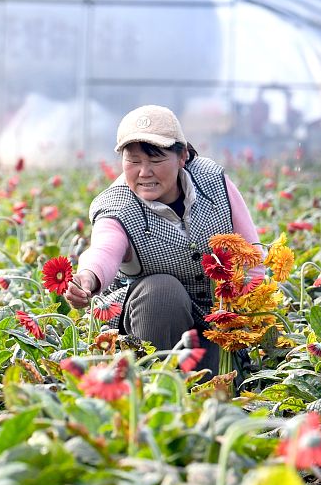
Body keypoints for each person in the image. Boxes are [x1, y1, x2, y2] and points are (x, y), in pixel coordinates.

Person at [64, 105, 262, 356]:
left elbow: (252, 254)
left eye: (156, 160)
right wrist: (88, 278)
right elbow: (104, 249)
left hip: (215, 320)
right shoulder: (117, 206)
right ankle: (151, 382)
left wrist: (252, 308)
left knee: (217, 384)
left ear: (182, 156)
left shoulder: (211, 181)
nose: (144, 172)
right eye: (133, 161)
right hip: (147, 324)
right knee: (162, 291)